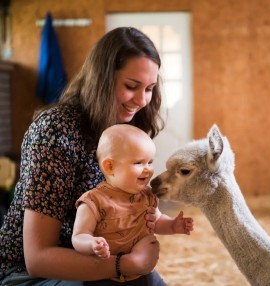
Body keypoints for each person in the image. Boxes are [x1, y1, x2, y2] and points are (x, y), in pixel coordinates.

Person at [0, 27, 170, 285]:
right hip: (29, 273)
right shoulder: (55, 131)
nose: (143, 100)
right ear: (101, 79)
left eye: (149, 88)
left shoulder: (126, 127)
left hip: (99, 259)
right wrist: (127, 264)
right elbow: (37, 259)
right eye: (131, 86)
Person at [72, 124, 194, 283]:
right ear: (110, 167)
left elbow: (156, 221)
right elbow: (79, 236)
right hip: (105, 277)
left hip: (143, 274)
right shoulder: (93, 201)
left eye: (150, 162)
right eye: (139, 163)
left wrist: (172, 226)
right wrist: (91, 244)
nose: (148, 169)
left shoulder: (147, 195)